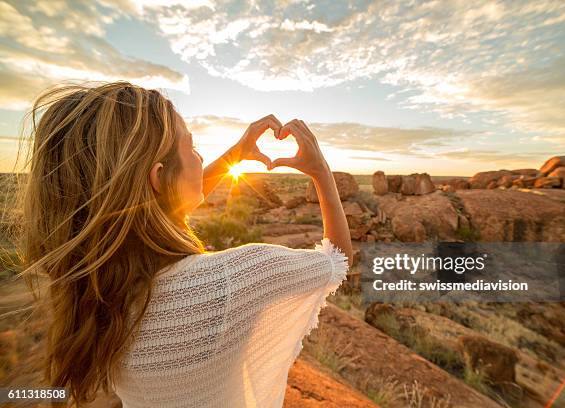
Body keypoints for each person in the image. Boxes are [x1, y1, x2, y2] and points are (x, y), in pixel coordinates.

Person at [16, 81, 352, 407]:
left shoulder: (101, 289)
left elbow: (157, 205)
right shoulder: (234, 278)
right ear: (158, 177)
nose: (200, 157)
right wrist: (320, 171)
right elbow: (338, 260)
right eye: (191, 147)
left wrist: (236, 154)